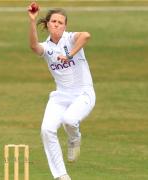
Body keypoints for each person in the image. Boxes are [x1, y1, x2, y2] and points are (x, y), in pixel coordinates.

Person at [27, 3, 96, 180]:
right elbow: (34, 47)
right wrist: (32, 21)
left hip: (83, 93)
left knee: (69, 120)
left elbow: (86, 35)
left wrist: (70, 54)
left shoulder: (70, 38)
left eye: (60, 22)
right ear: (48, 24)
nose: (57, 24)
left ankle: (74, 139)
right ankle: (61, 176)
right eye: (53, 21)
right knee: (46, 129)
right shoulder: (47, 47)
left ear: (65, 26)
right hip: (60, 96)